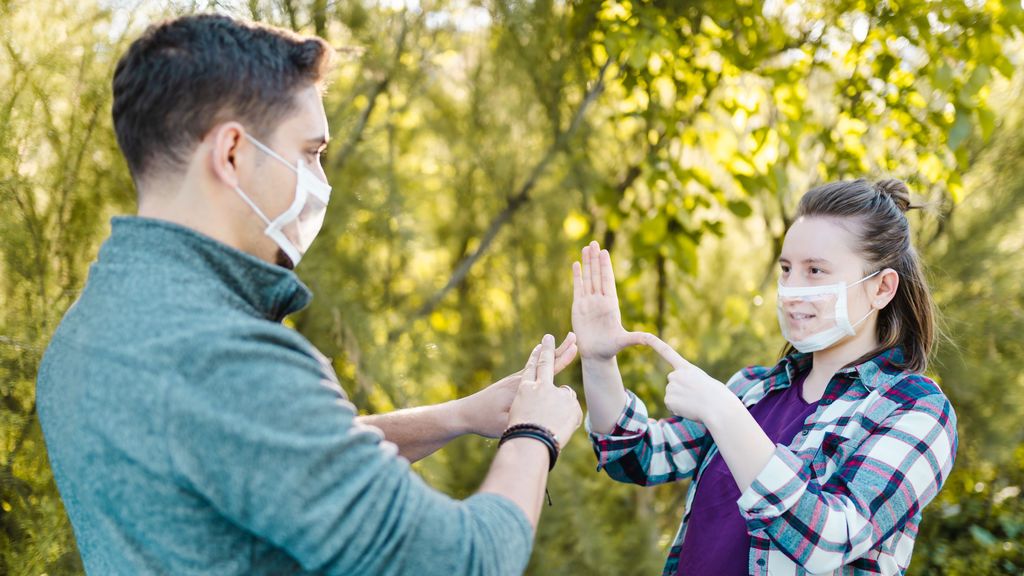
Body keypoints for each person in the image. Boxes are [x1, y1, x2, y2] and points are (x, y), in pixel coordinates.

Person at [36, 14, 583, 575]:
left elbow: (268, 455)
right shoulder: (226, 358)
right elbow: (462, 561)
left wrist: (457, 416)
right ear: (231, 153)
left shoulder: (91, 325)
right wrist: (533, 433)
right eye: (309, 152)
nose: (319, 180)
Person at [572, 179, 958, 575]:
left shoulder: (916, 410)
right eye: (787, 269)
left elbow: (829, 540)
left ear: (881, 288)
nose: (791, 290)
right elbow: (637, 457)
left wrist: (726, 415)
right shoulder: (753, 389)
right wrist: (599, 362)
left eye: (815, 271)